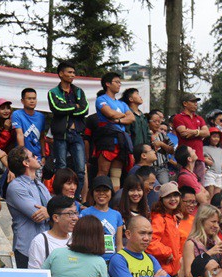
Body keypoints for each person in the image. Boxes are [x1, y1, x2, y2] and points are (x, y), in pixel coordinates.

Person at [5, 146, 51, 268]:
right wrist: (52, 213)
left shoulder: (40, 185)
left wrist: (50, 212)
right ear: (26, 163)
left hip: (46, 247)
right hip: (26, 249)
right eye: (32, 156)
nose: (37, 157)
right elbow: (38, 215)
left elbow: (54, 209)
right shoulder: (16, 187)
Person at [48, 61, 88, 196]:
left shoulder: (78, 91)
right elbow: (57, 108)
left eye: (73, 73)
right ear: (61, 74)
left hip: (77, 134)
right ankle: (60, 197)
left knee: (81, 170)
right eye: (69, 72)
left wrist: (69, 108)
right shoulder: (53, 92)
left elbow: (85, 109)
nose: (72, 75)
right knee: (61, 168)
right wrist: (75, 107)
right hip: (61, 135)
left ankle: (75, 198)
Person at [94, 72, 134, 188]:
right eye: (116, 82)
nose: (119, 85)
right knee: (103, 171)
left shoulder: (121, 103)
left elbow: (131, 118)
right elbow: (110, 113)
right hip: (107, 139)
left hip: (121, 140)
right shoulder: (101, 99)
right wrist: (123, 116)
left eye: (120, 82)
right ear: (107, 84)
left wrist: (119, 120)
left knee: (116, 174)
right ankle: (96, 200)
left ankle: (114, 202)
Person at [82, 174, 124, 262]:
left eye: (105, 190)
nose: (101, 193)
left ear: (111, 192)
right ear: (92, 193)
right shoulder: (85, 213)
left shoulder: (117, 215)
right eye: (97, 190)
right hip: (91, 260)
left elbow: (119, 244)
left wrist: (120, 262)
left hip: (112, 261)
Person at [28, 195, 76, 269]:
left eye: (75, 213)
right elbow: (35, 274)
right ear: (56, 217)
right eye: (70, 214)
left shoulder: (77, 238)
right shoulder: (40, 241)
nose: (75, 218)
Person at [172, 93, 209, 181]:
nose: (196, 103)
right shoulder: (178, 117)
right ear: (185, 103)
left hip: (199, 157)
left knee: (199, 185)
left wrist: (193, 132)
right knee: (186, 182)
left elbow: (207, 133)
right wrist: (200, 132)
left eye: (196, 102)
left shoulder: (199, 118)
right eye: (193, 101)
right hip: (185, 158)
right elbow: (183, 133)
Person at [12, 88, 45, 161]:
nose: (32, 101)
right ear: (22, 101)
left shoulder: (41, 116)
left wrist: (43, 156)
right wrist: (23, 155)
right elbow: (19, 134)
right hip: (23, 156)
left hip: (37, 157)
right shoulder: (17, 114)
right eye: (29, 98)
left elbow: (42, 137)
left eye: (34, 98)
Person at [149, 110, 174, 185]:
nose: (157, 124)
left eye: (159, 122)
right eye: (155, 121)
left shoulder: (163, 136)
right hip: (148, 168)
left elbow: (172, 150)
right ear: (148, 122)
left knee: (165, 186)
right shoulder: (145, 134)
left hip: (162, 168)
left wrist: (162, 144)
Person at [202, 128, 222, 197]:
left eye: (218, 137)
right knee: (210, 192)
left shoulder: (220, 150)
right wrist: (205, 159)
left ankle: (214, 207)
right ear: (209, 138)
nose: (216, 139)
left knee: (217, 195)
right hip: (209, 172)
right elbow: (199, 158)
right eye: (214, 136)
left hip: (219, 174)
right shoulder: (204, 148)